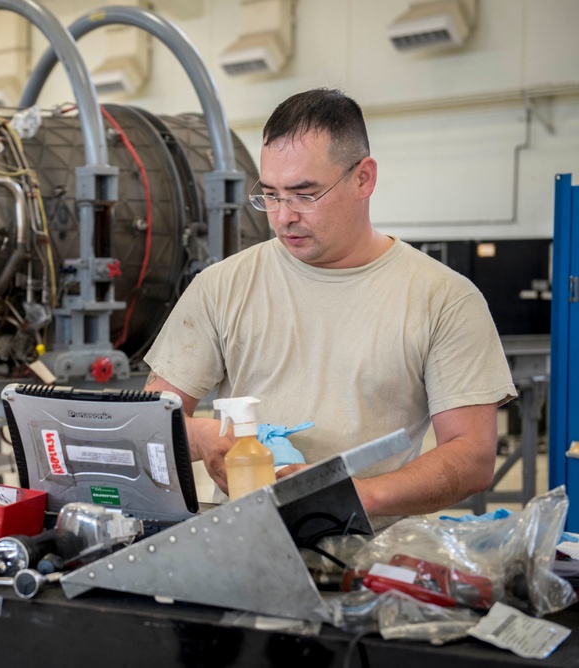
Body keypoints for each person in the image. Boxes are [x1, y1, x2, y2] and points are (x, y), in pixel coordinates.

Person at [144, 88, 516, 519]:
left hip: (375, 558)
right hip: (246, 539)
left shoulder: (444, 299)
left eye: (305, 194)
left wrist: (355, 495)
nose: (284, 216)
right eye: (271, 194)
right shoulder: (221, 287)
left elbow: (470, 457)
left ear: (364, 178)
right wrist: (203, 437)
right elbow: (148, 425)